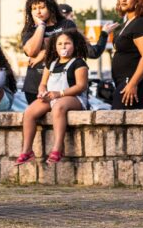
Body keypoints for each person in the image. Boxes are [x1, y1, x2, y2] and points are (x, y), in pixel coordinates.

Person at [16, 30, 90, 164]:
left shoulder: (79, 63)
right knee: (29, 112)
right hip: (52, 97)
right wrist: (42, 92)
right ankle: (27, 150)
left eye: (67, 43)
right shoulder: (51, 63)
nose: (63, 47)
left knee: (58, 107)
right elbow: (43, 84)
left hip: (74, 98)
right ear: (54, 47)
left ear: (75, 45)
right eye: (60, 44)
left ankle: (58, 147)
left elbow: (81, 86)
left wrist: (60, 93)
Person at [20, 0, 75, 104]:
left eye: (42, 7)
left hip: (60, 85)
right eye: (34, 8)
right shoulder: (29, 30)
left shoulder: (66, 25)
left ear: (50, 7)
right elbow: (31, 51)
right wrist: (41, 26)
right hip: (34, 86)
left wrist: (44, 52)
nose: (38, 12)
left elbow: (71, 49)